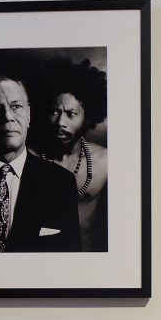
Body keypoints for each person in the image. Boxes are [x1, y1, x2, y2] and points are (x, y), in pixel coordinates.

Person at [0, 75, 81, 253]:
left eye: (16, 107)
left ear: (29, 115)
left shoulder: (60, 183)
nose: (7, 116)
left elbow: (70, 263)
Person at [33, 58, 109, 251]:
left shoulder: (105, 161)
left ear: (88, 116)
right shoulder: (28, 157)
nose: (60, 122)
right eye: (54, 112)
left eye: (71, 113)